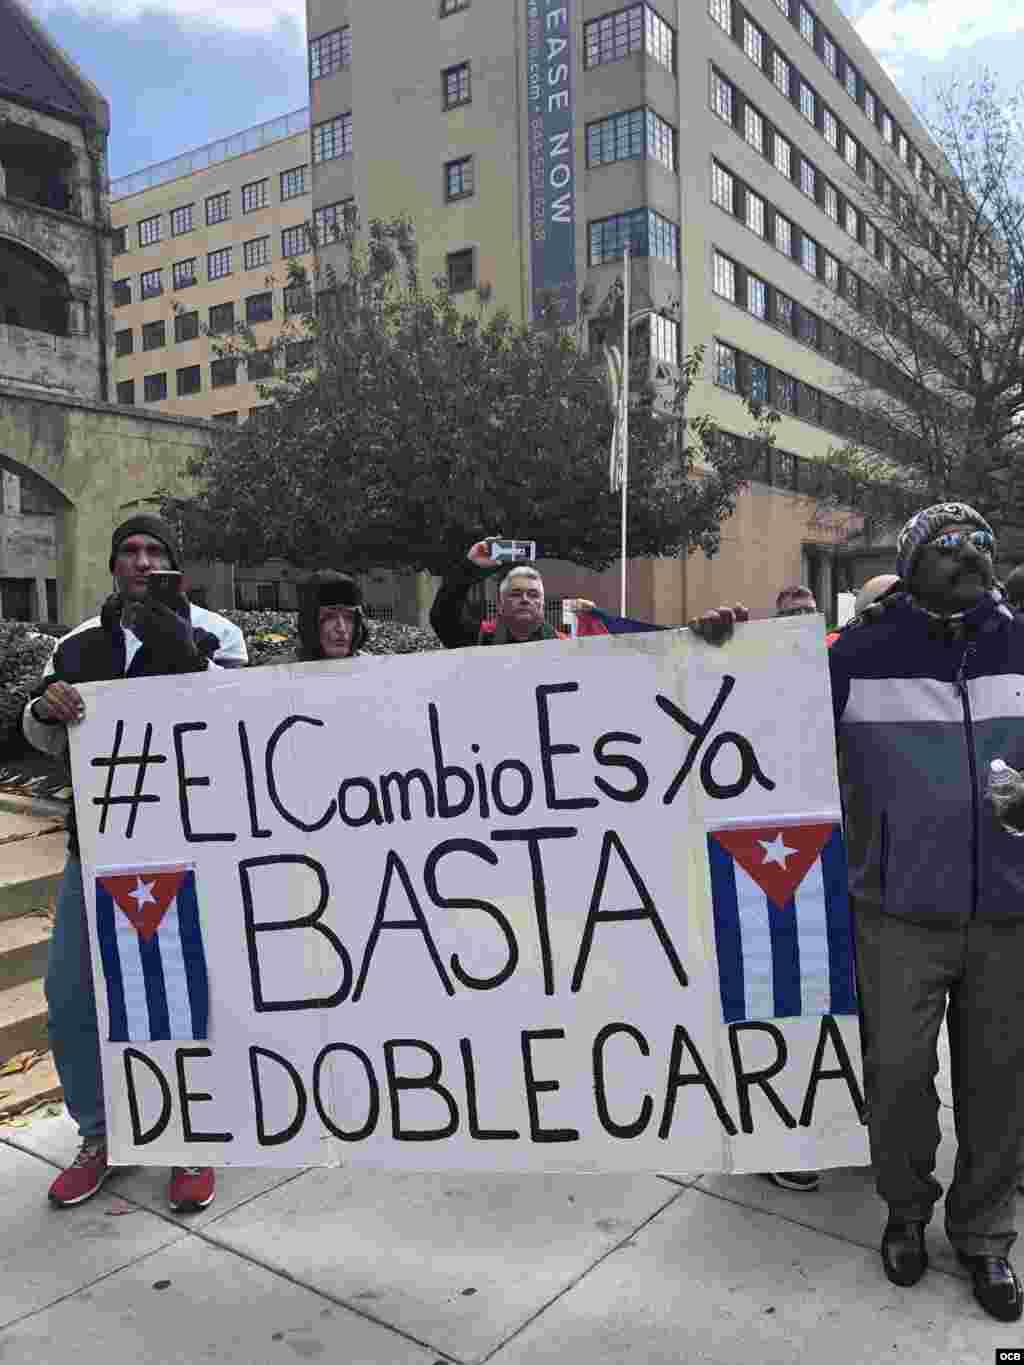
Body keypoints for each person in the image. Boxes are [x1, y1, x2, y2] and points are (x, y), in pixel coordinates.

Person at [694, 503, 1024, 1323]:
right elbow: (756, 712)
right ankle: (906, 1211)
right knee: (902, 1080)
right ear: (911, 563)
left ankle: (986, 1235)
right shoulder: (862, 652)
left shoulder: (1022, 643)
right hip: (896, 912)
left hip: (1009, 916)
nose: (968, 553)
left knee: (999, 1084)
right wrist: (723, 647)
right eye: (947, 543)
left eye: (980, 541)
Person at [22, 514, 247, 1213]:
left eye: (156, 551)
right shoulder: (78, 643)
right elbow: (44, 737)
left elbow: (238, 721)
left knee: (173, 1000)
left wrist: (178, 646)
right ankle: (101, 1136)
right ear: (115, 564)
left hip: (180, 851)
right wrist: (43, 708)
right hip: (95, 850)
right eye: (130, 551)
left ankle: (187, 1140)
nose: (143, 562)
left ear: (174, 564)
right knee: (70, 999)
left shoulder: (216, 635)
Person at [430, 536, 569, 648]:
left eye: (533, 594)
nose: (525, 599)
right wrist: (469, 566)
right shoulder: (480, 638)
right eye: (515, 594)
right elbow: (443, 618)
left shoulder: (565, 645)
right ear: (500, 604)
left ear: (543, 604)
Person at [294, 570, 368, 661]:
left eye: (349, 618)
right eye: (330, 617)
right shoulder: (280, 671)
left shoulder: (372, 668)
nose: (341, 629)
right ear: (309, 624)